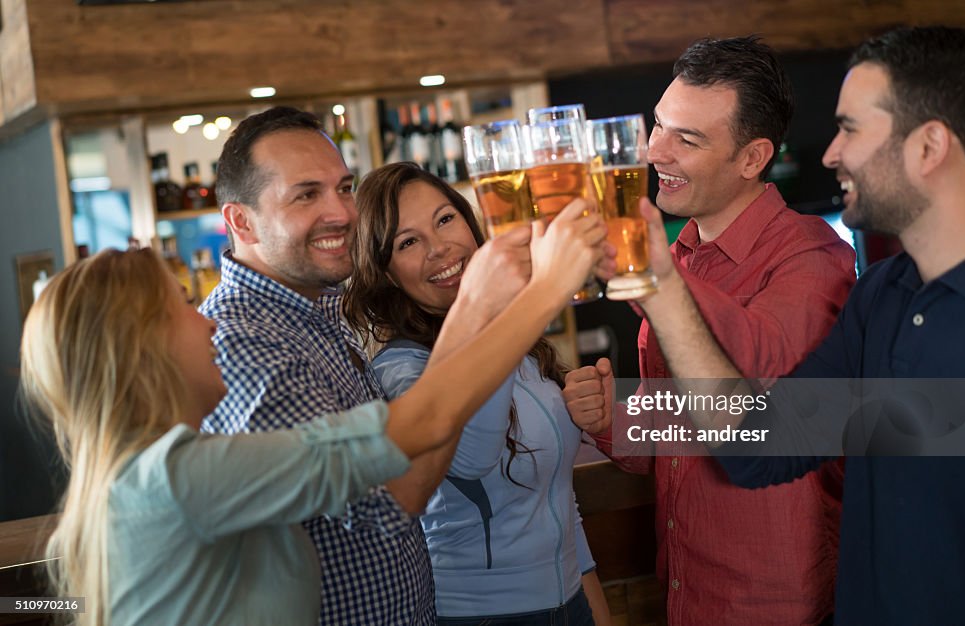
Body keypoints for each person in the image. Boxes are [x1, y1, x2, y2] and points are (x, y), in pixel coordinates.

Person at [587, 26, 965, 624]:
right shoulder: (882, 297)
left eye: (850, 130)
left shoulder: (825, 260)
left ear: (929, 147)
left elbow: (764, 358)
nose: (829, 154)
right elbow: (759, 445)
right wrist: (658, 290)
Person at [18, 235, 599, 625]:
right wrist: (542, 288)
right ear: (146, 351)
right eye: (182, 308)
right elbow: (420, 428)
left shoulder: (162, 472)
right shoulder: (178, 476)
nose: (206, 323)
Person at [200, 105, 609, 624]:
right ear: (241, 220)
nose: (342, 212)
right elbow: (395, 497)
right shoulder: (245, 343)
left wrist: (607, 417)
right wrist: (504, 302)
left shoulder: (317, 312)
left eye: (344, 188)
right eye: (307, 194)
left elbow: (556, 496)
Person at [562, 36, 856, 625]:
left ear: (752, 158)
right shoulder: (683, 253)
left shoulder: (812, 255)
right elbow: (669, 435)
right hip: (684, 586)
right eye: (658, 126)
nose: (653, 153)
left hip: (772, 599)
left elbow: (756, 399)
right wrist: (607, 422)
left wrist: (655, 279)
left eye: (686, 139)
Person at [343, 162, 614, 625]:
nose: (439, 248)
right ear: (386, 274)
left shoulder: (524, 347)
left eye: (445, 219)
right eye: (408, 242)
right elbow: (471, 457)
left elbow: (556, 500)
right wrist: (520, 303)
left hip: (569, 602)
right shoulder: (403, 371)